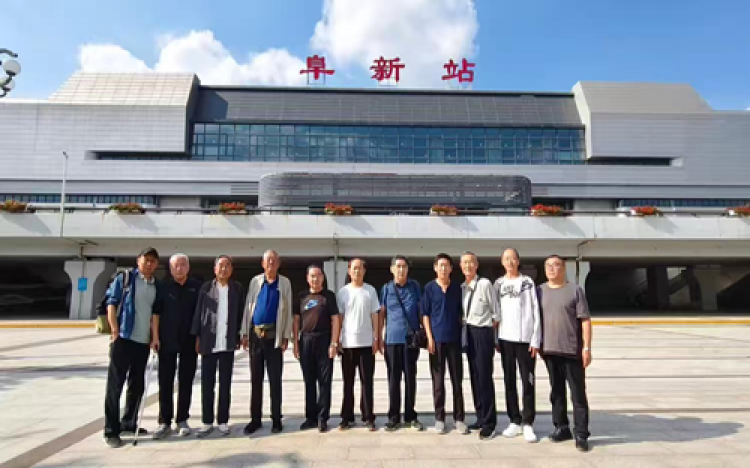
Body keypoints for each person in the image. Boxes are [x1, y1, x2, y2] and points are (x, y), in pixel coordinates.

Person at [103, 247, 161, 448]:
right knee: (115, 386)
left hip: (142, 342)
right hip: (124, 339)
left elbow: (155, 313)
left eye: (153, 261)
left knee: (136, 385)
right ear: (138, 260)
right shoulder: (125, 279)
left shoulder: (155, 285)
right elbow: (111, 303)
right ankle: (111, 430)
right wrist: (115, 331)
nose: (149, 264)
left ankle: (129, 422)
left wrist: (155, 337)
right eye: (146, 260)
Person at [538, 255, 593, 452]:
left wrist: (586, 348)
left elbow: (585, 320)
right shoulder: (539, 291)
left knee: (577, 394)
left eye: (556, 265)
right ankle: (561, 427)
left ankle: (581, 434)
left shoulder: (575, 290)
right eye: (548, 266)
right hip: (549, 350)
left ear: (563, 269)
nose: (552, 269)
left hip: (571, 351)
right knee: (556, 392)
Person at [241, 250, 294, 435]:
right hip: (256, 336)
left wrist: (286, 336)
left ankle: (276, 419)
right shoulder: (255, 281)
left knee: (275, 380)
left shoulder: (284, 283)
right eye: (268, 260)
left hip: (274, 337)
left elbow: (288, 311)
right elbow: (248, 307)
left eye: (274, 260)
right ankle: (255, 419)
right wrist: (244, 332)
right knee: (256, 380)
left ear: (279, 264)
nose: (271, 263)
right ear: (263, 264)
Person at [192, 255, 245, 438]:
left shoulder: (236, 289)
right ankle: (207, 422)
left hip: (227, 343)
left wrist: (241, 334)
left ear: (231, 269)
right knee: (207, 384)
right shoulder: (206, 288)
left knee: (225, 384)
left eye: (227, 265)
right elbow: (198, 313)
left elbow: (240, 313)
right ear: (215, 269)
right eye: (220, 265)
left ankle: (223, 421)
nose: (224, 269)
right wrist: (197, 337)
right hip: (209, 341)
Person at [153, 254, 202, 439]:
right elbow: (156, 314)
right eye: (176, 265)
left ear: (188, 267)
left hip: (189, 341)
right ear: (170, 268)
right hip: (167, 340)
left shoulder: (196, 287)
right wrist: (155, 337)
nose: (179, 268)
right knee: (165, 381)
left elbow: (200, 315)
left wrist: (199, 338)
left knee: (186, 381)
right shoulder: (163, 287)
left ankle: (182, 419)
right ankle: (164, 421)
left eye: (182, 265)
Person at [494, 248, 541, 443]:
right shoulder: (499, 284)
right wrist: (496, 338)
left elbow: (536, 310)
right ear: (502, 262)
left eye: (513, 258)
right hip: (505, 339)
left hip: (525, 341)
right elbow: (495, 312)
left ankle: (528, 422)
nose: (510, 262)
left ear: (518, 261)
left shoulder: (527, 282)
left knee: (528, 381)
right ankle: (514, 420)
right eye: (506, 259)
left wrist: (535, 339)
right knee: (509, 381)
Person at [422, 253, 468, 435]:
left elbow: (462, 313)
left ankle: (459, 418)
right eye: (440, 265)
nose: (443, 268)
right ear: (435, 268)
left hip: (454, 341)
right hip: (437, 342)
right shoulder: (429, 288)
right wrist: (429, 338)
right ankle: (439, 418)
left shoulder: (457, 288)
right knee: (438, 383)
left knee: (457, 381)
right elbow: (425, 314)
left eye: (446, 265)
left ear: (451, 268)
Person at [293, 265, 342, 433]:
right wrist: (296, 343)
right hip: (306, 340)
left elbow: (336, 319)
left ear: (323, 277)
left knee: (324, 381)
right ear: (307, 278)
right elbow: (296, 321)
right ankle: (310, 417)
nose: (315, 279)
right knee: (309, 381)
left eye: (318, 275)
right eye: (312, 276)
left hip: (324, 340)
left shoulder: (329, 296)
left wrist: (334, 343)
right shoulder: (301, 296)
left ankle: (322, 417)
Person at [379, 255, 424, 432]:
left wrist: (425, 333)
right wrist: (378, 337)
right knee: (393, 379)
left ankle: (410, 416)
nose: (401, 269)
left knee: (410, 378)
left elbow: (420, 310)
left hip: (410, 340)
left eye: (404, 266)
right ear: (392, 269)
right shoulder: (386, 289)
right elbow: (382, 314)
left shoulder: (415, 287)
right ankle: (394, 417)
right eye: (398, 266)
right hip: (392, 340)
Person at [337, 258, 380, 432]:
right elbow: (339, 318)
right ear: (349, 271)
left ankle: (368, 417)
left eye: (360, 268)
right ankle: (346, 417)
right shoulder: (343, 292)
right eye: (354, 268)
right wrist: (337, 339)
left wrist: (376, 338)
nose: (357, 271)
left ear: (364, 271)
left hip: (366, 343)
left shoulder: (370, 291)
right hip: (348, 343)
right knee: (348, 383)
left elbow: (375, 315)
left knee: (367, 382)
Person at [460, 251, 499, 440]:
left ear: (477, 265)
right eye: (464, 263)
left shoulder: (484, 284)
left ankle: (490, 422)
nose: (468, 266)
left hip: (482, 332)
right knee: (474, 377)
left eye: (471, 262)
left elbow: (495, 313)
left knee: (484, 377)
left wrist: (491, 336)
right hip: (468, 333)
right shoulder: (462, 287)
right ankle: (480, 416)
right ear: (461, 266)